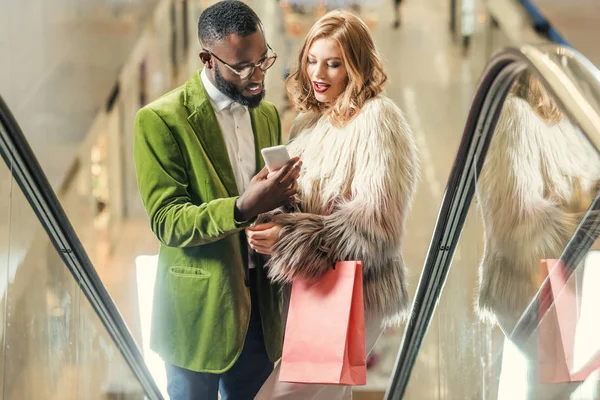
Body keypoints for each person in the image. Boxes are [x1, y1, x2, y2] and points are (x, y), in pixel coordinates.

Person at [133, 1, 302, 399]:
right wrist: (243, 207)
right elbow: (169, 222)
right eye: (243, 67)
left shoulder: (266, 115)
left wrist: (279, 216)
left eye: (264, 60)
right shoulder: (161, 120)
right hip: (198, 316)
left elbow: (270, 204)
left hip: (260, 312)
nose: (258, 76)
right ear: (207, 60)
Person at [249, 10, 420, 399]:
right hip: (315, 286)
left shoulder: (378, 120)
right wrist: (272, 207)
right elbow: (303, 206)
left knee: (284, 394)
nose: (318, 73)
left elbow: (375, 227)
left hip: (356, 289)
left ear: (355, 66)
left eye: (333, 63)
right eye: (311, 60)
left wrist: (289, 238)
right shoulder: (308, 123)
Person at [476, 70, 600, 399]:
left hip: (558, 282)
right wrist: (576, 218)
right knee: (551, 387)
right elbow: (513, 222)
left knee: (555, 385)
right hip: (529, 288)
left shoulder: (562, 127)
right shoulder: (516, 120)